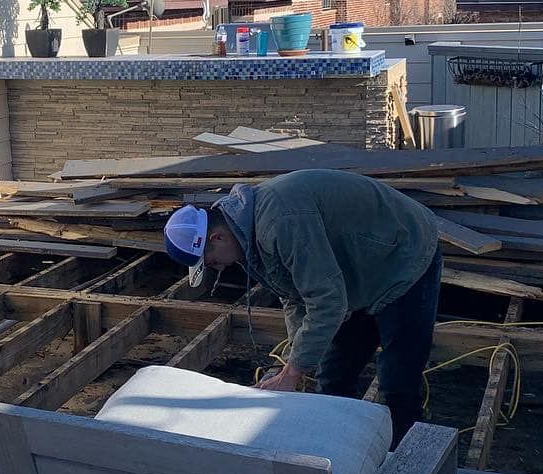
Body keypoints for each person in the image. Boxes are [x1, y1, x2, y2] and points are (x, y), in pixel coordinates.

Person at [162, 169, 441, 446]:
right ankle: (335, 452)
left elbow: (327, 301)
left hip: (402, 254)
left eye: (210, 263)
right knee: (332, 376)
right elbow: (293, 294)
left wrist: (293, 372)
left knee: (397, 381)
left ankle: (401, 461)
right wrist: (295, 361)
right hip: (353, 268)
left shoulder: (279, 222)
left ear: (216, 238)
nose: (217, 269)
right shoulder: (245, 235)